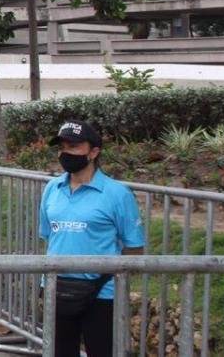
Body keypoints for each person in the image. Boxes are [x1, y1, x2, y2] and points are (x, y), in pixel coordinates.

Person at [39, 120, 145, 357]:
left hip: (101, 294)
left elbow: (135, 249)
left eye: (74, 147)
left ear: (94, 152)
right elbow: (49, 236)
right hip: (57, 289)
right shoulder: (51, 189)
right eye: (62, 147)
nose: (65, 153)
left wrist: (108, 274)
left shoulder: (117, 194)